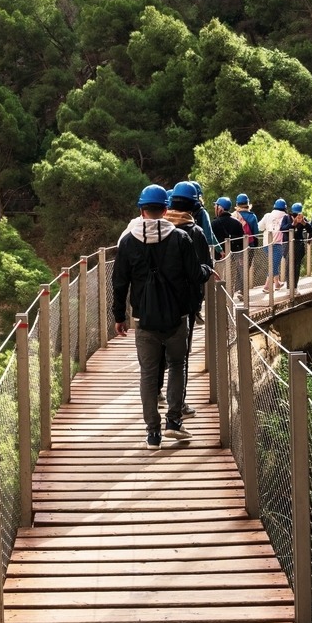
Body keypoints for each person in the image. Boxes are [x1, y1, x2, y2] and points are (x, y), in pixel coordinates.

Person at [112, 184, 208, 448]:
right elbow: (195, 275)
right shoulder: (181, 238)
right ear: (165, 209)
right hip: (177, 316)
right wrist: (207, 270)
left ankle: (152, 433)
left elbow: (119, 283)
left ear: (141, 210)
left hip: (144, 320)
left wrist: (119, 316)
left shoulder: (128, 241)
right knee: (177, 365)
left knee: (148, 373)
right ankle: (174, 422)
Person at [258, 198, 290, 293]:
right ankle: (267, 286)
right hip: (278, 244)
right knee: (274, 264)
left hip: (266, 244)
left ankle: (277, 283)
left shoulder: (268, 215)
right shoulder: (287, 217)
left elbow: (259, 227)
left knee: (273, 263)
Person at [287, 202, 312, 288]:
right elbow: (283, 229)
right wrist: (293, 224)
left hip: (299, 245)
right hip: (289, 246)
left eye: (298, 214)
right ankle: (289, 287)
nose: (296, 216)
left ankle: (294, 287)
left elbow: (311, 230)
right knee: (289, 266)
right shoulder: (287, 218)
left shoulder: (303, 219)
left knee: (296, 266)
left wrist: (304, 223)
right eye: (294, 214)